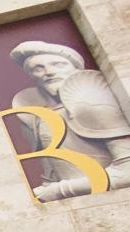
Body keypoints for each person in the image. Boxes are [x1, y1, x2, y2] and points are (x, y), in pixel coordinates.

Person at [7, 40, 130, 201]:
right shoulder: (37, 118)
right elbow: (51, 176)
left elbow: (127, 171)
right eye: (38, 68)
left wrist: (61, 190)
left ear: (76, 69)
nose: (49, 72)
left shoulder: (94, 102)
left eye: (58, 64)